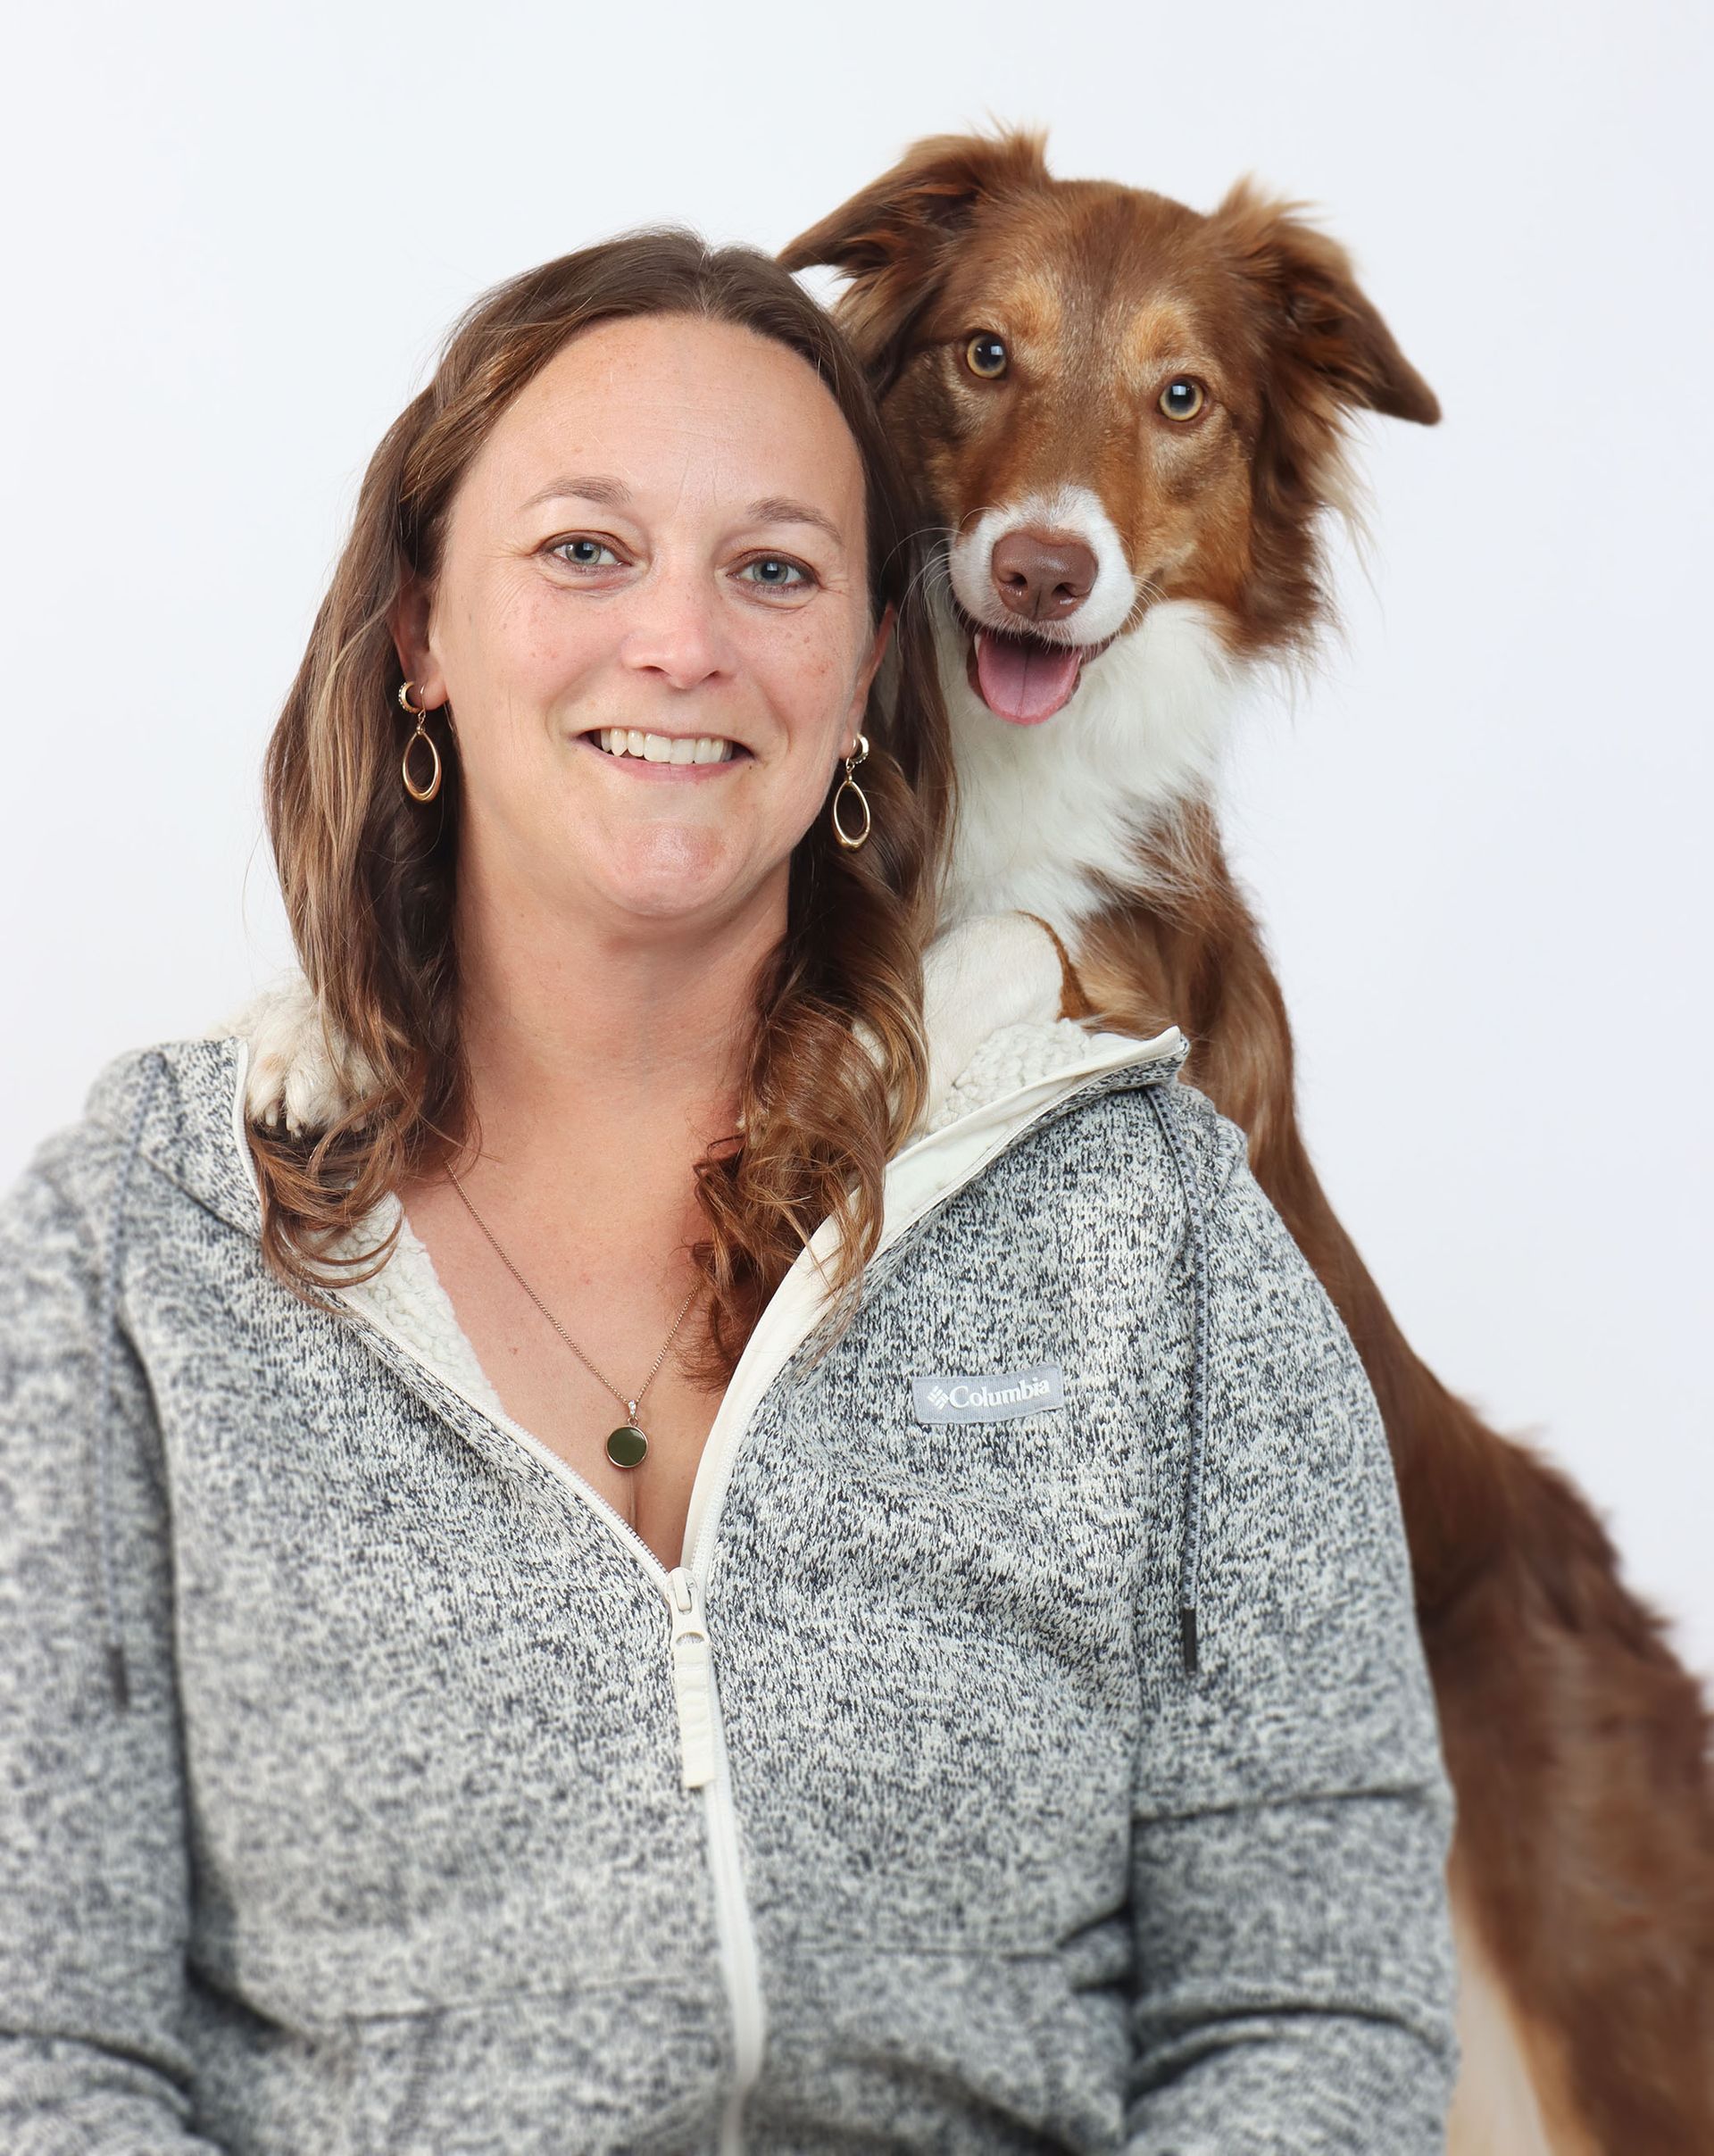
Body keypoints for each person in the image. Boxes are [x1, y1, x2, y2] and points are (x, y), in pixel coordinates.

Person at [0, 229, 1460, 2152]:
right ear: (421, 630)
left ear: (868, 667)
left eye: (772, 568)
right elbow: (42, 2044)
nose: (680, 643)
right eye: (586, 549)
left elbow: (1315, 2009)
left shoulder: (1159, 1233)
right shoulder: (139, 1234)